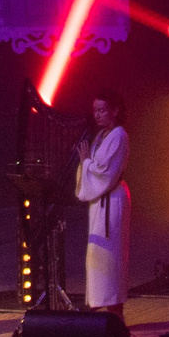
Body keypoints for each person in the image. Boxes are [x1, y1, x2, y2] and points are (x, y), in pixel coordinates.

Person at [75, 92, 132, 318]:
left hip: (113, 198)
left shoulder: (119, 135)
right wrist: (86, 162)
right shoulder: (100, 136)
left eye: (102, 110)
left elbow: (103, 172)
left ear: (114, 110)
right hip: (101, 200)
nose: (97, 115)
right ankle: (99, 314)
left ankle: (115, 314)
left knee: (111, 256)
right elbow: (94, 169)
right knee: (97, 255)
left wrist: (86, 161)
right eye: (95, 110)